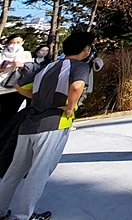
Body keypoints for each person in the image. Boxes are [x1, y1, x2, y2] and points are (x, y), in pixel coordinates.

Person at [0, 31, 96, 220]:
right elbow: (77, 86)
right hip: (54, 124)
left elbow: (19, 87)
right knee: (39, 172)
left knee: (15, 171)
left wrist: (39, 98)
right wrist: (69, 106)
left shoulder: (48, 66)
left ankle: (1, 210)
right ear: (85, 49)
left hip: (28, 124)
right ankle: (24, 215)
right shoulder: (80, 67)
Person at [0, 35, 32, 130]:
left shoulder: (25, 54)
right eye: (12, 43)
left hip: (15, 89)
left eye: (18, 42)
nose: (14, 45)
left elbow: (30, 70)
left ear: (22, 42)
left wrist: (21, 65)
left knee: (8, 115)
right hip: (1, 87)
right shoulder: (1, 54)